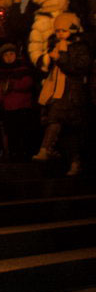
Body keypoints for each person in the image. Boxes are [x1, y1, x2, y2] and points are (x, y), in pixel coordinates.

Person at [33, 12, 91, 176]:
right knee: (58, 123)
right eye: (57, 31)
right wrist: (48, 59)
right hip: (58, 94)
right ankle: (50, 151)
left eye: (63, 31)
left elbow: (78, 68)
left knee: (70, 129)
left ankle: (66, 158)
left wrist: (61, 57)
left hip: (73, 94)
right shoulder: (55, 47)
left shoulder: (80, 48)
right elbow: (47, 69)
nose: (60, 34)